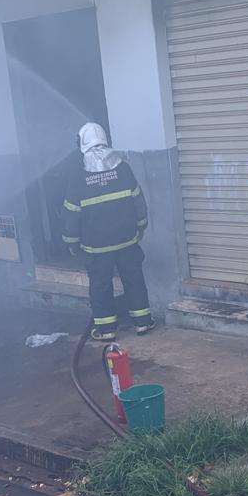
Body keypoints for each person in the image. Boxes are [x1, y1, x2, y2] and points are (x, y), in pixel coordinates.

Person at [62, 122, 155, 342]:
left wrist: (71, 242)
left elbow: (71, 213)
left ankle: (106, 329)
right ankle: (142, 322)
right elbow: (138, 202)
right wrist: (141, 227)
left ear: (82, 143)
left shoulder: (78, 175)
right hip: (126, 240)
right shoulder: (122, 168)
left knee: (101, 284)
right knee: (133, 279)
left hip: (97, 245)